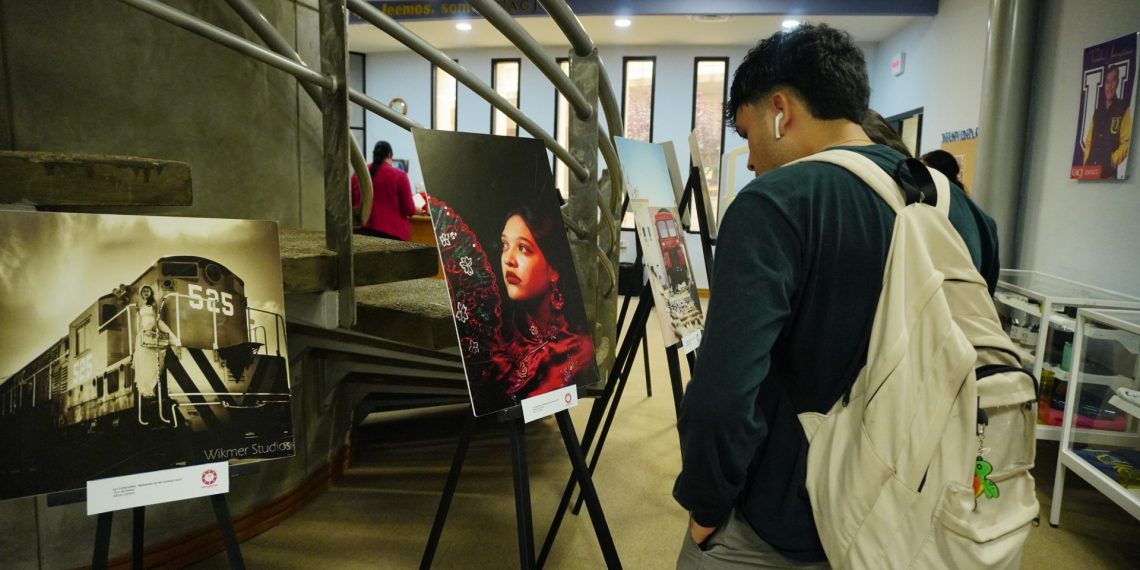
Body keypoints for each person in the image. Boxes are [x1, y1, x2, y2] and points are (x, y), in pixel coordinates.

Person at [673, 24, 1001, 568]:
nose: (750, 159)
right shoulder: (966, 214)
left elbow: (722, 398)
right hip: (916, 510)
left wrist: (705, 503)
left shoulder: (773, 205)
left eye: (748, 133)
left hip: (787, 520)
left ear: (780, 110)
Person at [351, 140, 417, 240]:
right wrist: (417, 209)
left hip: (360, 232)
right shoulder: (400, 176)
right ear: (390, 155)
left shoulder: (357, 175)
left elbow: (351, 204)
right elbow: (409, 209)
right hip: (391, 234)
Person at [1083, 65, 1133, 179]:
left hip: (1108, 175)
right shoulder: (1098, 112)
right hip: (1090, 173)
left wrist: (1111, 161)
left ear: (1117, 83)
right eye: (1107, 81)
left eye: (1113, 81)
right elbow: (1088, 142)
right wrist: (1086, 161)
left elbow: (1126, 143)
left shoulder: (1123, 109)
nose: (1109, 86)